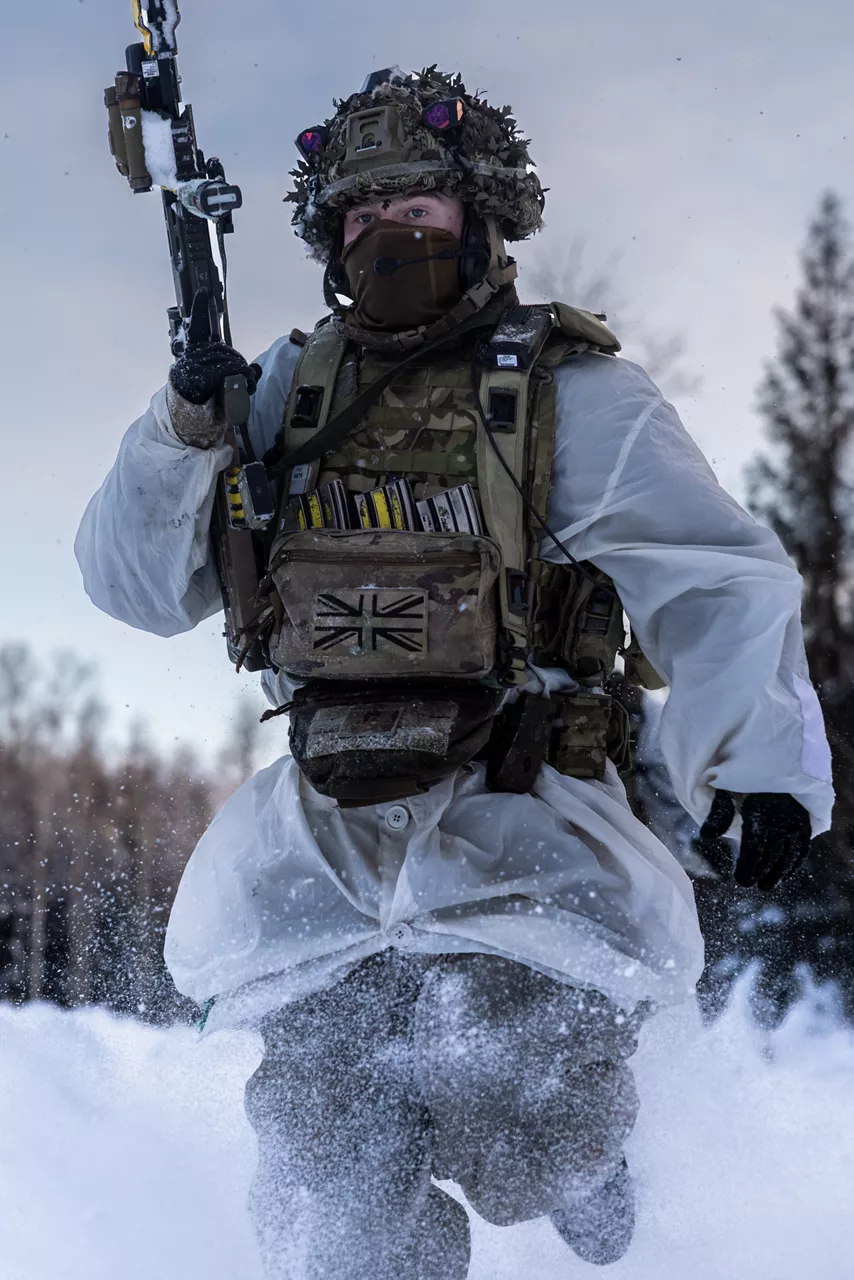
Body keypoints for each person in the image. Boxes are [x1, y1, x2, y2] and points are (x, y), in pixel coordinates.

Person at [75, 66, 833, 1278]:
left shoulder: (565, 395)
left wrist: (758, 772)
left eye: (417, 214)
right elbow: (132, 586)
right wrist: (182, 430)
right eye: (363, 220)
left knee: (519, 1116)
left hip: (528, 830)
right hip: (323, 851)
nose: (390, 240)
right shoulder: (280, 393)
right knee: (330, 1182)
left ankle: (585, 1163)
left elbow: (712, 577)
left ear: (479, 222)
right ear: (330, 240)